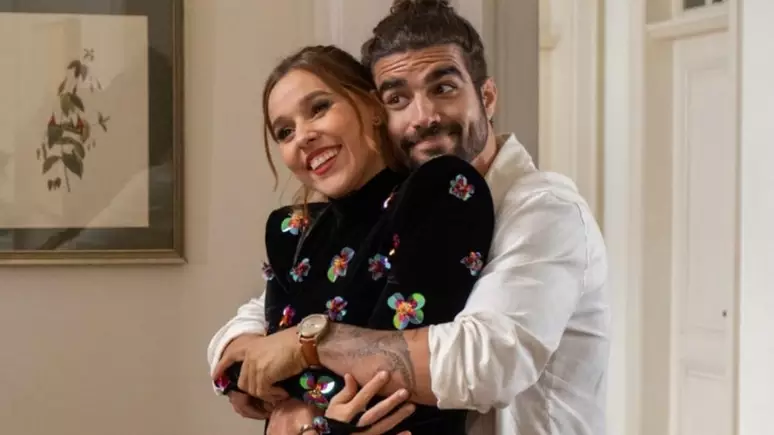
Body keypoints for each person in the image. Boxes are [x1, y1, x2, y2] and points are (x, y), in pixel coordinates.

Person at [209, 0, 610, 434]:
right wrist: (276, 387)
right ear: (379, 112)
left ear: (487, 97)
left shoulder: (545, 208)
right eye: (398, 98)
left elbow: (482, 364)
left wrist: (307, 345)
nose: (425, 117)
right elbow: (260, 316)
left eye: (444, 88)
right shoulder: (398, 213)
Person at [210, 42, 496, 435]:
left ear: (373, 106)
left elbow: (393, 390)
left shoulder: (440, 192)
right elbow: (249, 375)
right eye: (285, 132)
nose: (303, 137)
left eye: (318, 108)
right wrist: (261, 370)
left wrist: (306, 407)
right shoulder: (290, 231)